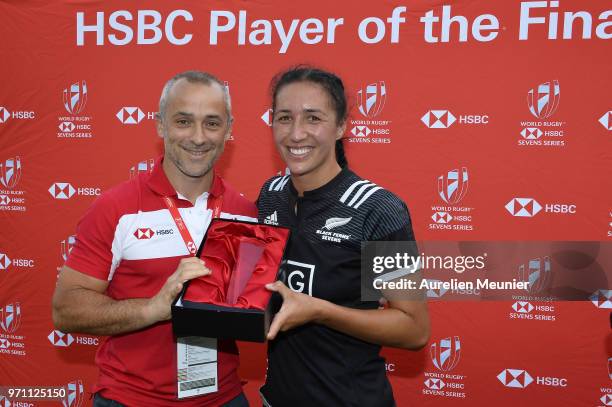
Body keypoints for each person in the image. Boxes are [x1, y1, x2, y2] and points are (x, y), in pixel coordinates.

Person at [52, 71, 256, 407]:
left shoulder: (244, 213)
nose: (198, 136)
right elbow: (65, 310)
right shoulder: (115, 208)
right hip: (131, 400)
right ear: (160, 125)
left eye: (212, 123)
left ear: (229, 130)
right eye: (183, 121)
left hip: (223, 398)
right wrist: (153, 308)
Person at [257, 66, 430, 406]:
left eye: (313, 118)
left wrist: (322, 311)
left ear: (341, 127)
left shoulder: (377, 209)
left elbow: (414, 328)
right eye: (284, 118)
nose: (296, 133)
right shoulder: (270, 195)